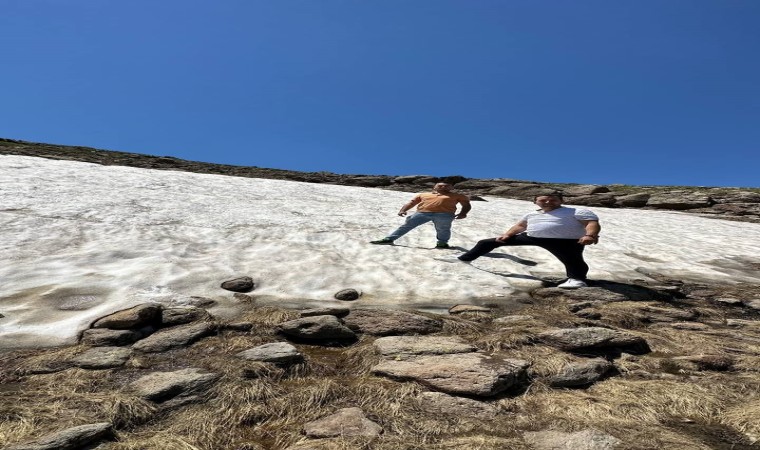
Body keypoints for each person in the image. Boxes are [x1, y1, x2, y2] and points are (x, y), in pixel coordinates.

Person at [438, 191, 600, 288]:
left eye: (553, 199)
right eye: (543, 199)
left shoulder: (576, 210)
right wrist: (508, 234)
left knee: (572, 260)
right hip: (532, 237)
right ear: (536, 201)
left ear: (561, 201)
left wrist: (589, 235)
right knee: (486, 242)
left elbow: (591, 223)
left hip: (566, 240)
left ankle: (577, 280)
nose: (548, 201)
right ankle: (464, 259)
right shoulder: (532, 214)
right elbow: (520, 226)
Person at [370, 182, 471, 249]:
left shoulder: (458, 195)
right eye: (440, 185)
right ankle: (389, 239)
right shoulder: (423, 194)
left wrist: (463, 213)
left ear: (451, 188)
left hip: (445, 214)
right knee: (407, 225)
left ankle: (442, 243)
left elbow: (466, 205)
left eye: (446, 186)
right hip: (422, 212)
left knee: (443, 229)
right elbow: (411, 203)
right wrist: (403, 210)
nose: (443, 187)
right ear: (434, 187)